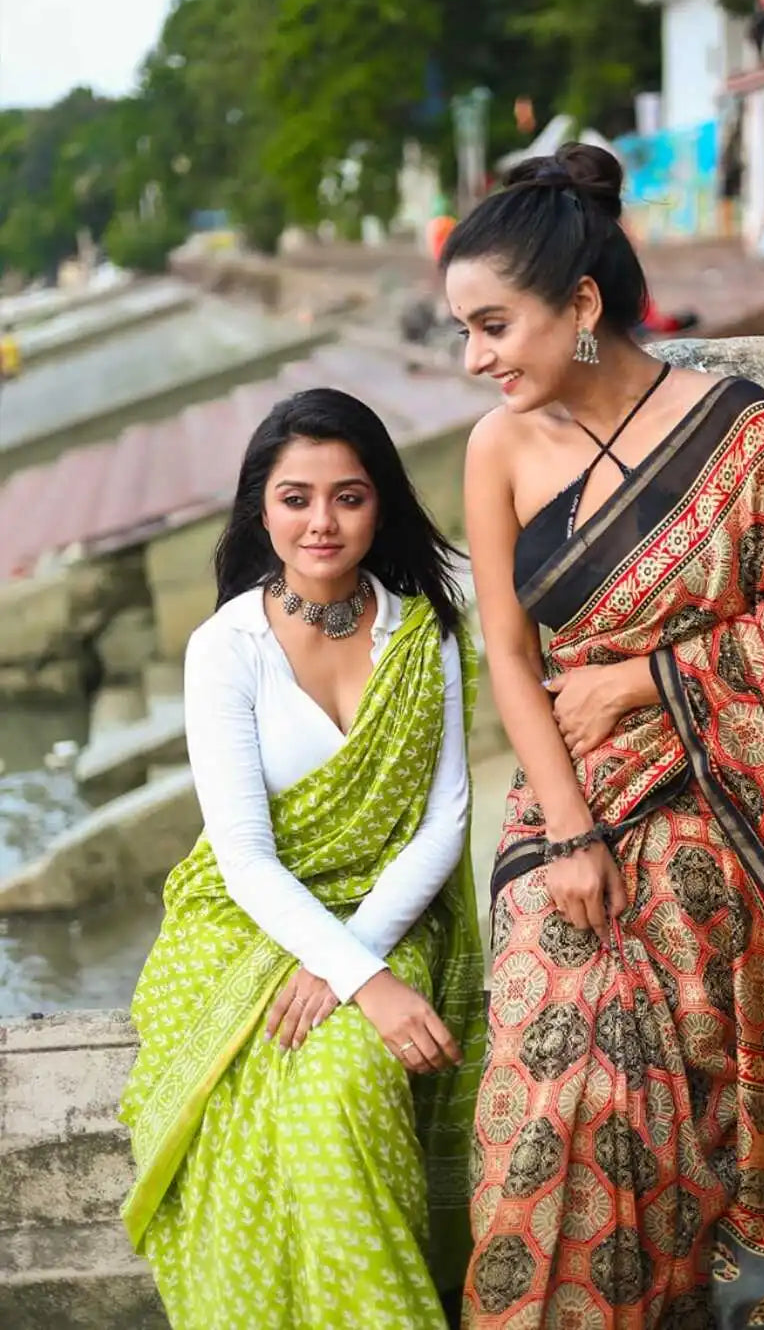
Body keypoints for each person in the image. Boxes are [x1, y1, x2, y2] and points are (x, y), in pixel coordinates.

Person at [442, 143, 764, 1328]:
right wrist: (568, 833)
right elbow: (508, 654)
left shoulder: (734, 433)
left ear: (584, 305)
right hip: (566, 803)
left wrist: (651, 676)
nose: (475, 360)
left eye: (493, 325)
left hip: (727, 801)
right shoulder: (496, 451)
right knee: (552, 1082)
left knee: (643, 1048)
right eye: (463, 331)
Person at [119, 388, 485, 1329]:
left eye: (349, 497)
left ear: (382, 505)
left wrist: (356, 967)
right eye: (296, 498)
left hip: (387, 908)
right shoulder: (225, 648)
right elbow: (242, 855)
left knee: (342, 1093)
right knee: (266, 1115)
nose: (322, 522)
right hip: (246, 918)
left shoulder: (425, 633)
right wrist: (361, 978)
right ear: (261, 508)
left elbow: (443, 825)